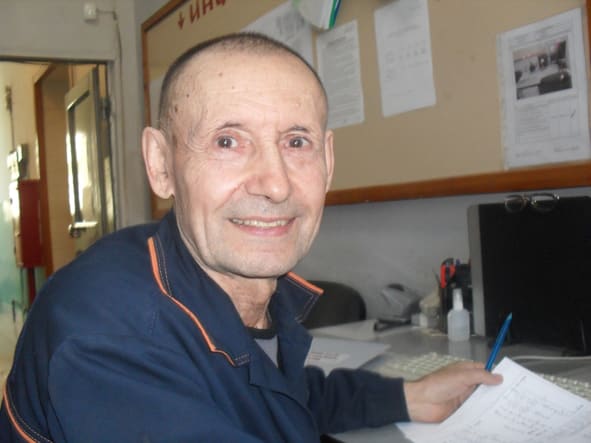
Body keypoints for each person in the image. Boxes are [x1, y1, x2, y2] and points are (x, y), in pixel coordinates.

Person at [0, 32, 501, 442]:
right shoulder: (108, 338)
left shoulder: (233, 284)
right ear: (161, 164)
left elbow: (278, 395)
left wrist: (407, 397)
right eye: (227, 141)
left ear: (327, 162)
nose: (275, 184)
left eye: (296, 142)